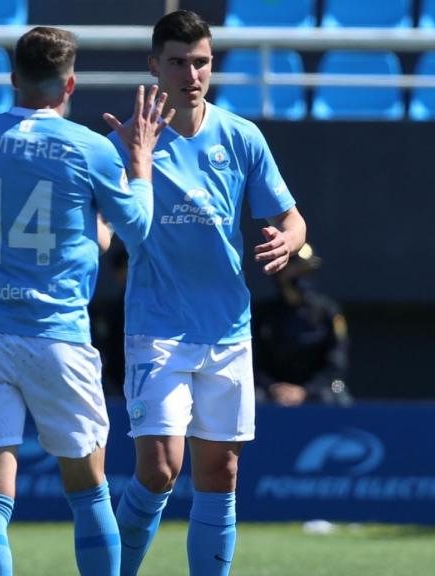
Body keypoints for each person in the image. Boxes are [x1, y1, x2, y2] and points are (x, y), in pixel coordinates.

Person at [0, 26, 170, 576]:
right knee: (88, 494)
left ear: (14, 79)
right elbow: (137, 230)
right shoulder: (89, 147)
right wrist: (140, 161)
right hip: (57, 335)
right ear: (70, 83)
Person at [107, 11, 308, 576]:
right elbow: (101, 222)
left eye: (200, 62)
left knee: (221, 474)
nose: (191, 73)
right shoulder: (130, 141)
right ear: (154, 67)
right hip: (157, 325)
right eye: (177, 62)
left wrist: (287, 243)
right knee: (159, 469)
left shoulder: (242, 136)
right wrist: (127, 163)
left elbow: (294, 220)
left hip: (226, 327)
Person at [252, 243, 351, 406]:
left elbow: (336, 364)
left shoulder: (327, 312)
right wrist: (273, 387)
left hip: (316, 390)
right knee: (252, 399)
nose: (303, 279)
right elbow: (254, 363)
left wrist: (305, 391)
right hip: (272, 391)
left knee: (337, 395)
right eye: (298, 272)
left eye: (308, 273)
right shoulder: (263, 315)